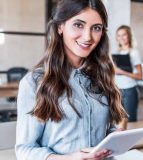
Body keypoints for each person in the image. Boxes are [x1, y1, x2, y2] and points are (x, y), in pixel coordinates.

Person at [15, 0, 128, 159]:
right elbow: (25, 150)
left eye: (96, 28)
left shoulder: (101, 76)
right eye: (78, 25)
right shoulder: (34, 83)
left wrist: (114, 138)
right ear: (60, 27)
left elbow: (104, 130)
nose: (88, 37)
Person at [114, 25, 143, 122]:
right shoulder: (117, 52)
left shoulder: (134, 52)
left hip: (129, 91)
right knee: (120, 121)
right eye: (119, 35)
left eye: (124, 35)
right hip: (118, 90)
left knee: (130, 121)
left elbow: (140, 76)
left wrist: (121, 72)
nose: (121, 38)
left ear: (129, 36)